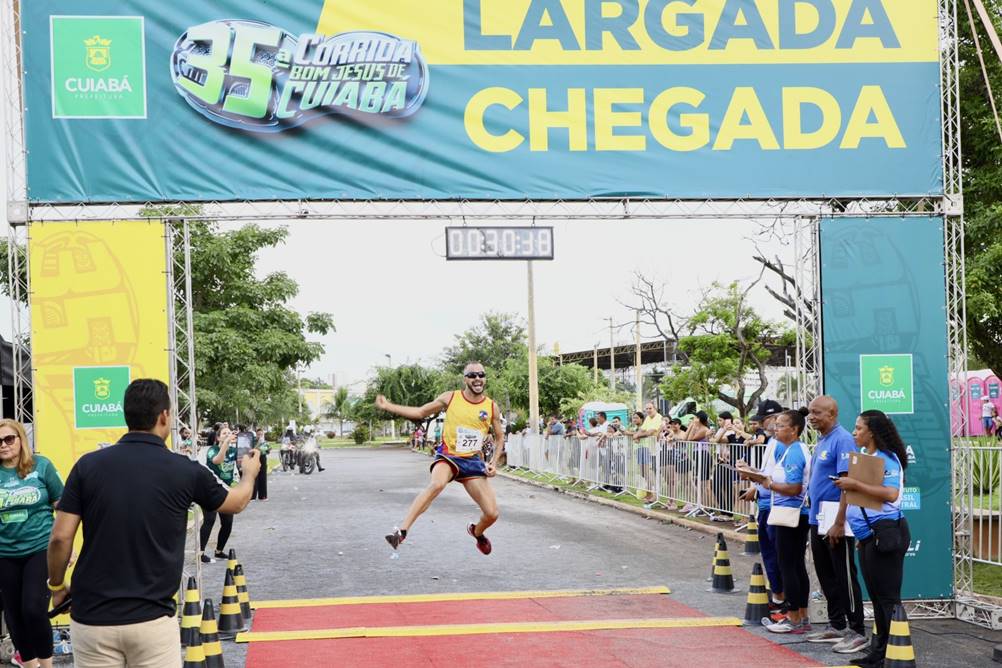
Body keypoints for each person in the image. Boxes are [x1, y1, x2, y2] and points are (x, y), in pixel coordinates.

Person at [47, 379, 260, 668]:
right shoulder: (185, 470)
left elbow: (60, 538)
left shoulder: (87, 466)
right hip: (153, 620)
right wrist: (249, 474)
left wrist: (57, 584)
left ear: (126, 416)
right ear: (164, 416)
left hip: (93, 618)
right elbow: (236, 502)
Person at [377, 362, 505, 554]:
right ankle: (401, 532)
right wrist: (388, 406)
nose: (477, 378)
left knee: (492, 514)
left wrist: (494, 464)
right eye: (472, 375)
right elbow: (420, 412)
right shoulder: (450, 397)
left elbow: (500, 436)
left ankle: (476, 532)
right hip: (448, 456)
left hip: (472, 462)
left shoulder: (491, 406)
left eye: (481, 374)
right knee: (436, 484)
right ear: (465, 379)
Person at [835, 410, 910, 668]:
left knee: (888, 598)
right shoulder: (867, 458)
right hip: (868, 536)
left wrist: (855, 486)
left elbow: (890, 494)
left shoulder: (887, 459)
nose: (854, 432)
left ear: (872, 432)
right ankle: (878, 654)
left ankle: (895, 655)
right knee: (877, 598)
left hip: (886, 532)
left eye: (858, 428)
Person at [805, 396, 867, 654]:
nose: (811, 417)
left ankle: (857, 630)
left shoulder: (842, 439)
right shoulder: (822, 439)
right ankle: (837, 624)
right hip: (817, 518)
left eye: (817, 413)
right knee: (825, 574)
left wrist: (840, 521)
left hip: (835, 519)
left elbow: (847, 483)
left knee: (843, 575)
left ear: (832, 413)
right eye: (810, 412)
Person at [0, 419, 64, 668]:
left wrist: (64, 548)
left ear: (20, 439)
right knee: (14, 616)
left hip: (40, 549)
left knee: (33, 609)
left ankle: (46, 666)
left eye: (9, 439)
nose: (4, 445)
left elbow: (63, 508)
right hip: (4, 553)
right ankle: (30, 665)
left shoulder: (42, 466)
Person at [760, 408, 812, 635]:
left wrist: (768, 484)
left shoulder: (795, 452)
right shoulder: (790, 449)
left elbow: (793, 488)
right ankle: (801, 616)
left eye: (781, 425)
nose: (775, 428)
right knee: (795, 565)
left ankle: (793, 616)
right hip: (790, 514)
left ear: (794, 429)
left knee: (789, 566)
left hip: (791, 516)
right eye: (776, 424)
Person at [738, 399, 786, 619]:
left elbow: (782, 479)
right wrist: (753, 478)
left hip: (779, 506)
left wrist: (756, 482)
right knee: (769, 555)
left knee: (779, 556)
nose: (763, 425)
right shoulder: (772, 442)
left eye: (765, 420)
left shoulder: (787, 445)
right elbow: (767, 473)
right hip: (766, 503)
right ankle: (777, 596)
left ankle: (784, 600)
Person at [200, 426, 237, 562]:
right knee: (209, 519)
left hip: (226, 490)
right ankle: (200, 553)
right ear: (218, 437)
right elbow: (217, 460)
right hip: (209, 488)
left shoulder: (233, 451)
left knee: (227, 522)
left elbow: (241, 461)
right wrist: (226, 444)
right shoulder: (212, 450)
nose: (227, 435)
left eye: (229, 433)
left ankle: (219, 550)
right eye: (224, 433)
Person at [252, 428, 269, 501]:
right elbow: (252, 450)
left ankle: (262, 496)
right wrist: (258, 443)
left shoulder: (265, 442)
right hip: (255, 458)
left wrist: (268, 448)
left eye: (261, 434)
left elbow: (267, 451)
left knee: (263, 477)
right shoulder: (253, 441)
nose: (260, 436)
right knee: (255, 477)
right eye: (258, 434)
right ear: (256, 434)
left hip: (263, 458)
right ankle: (252, 496)